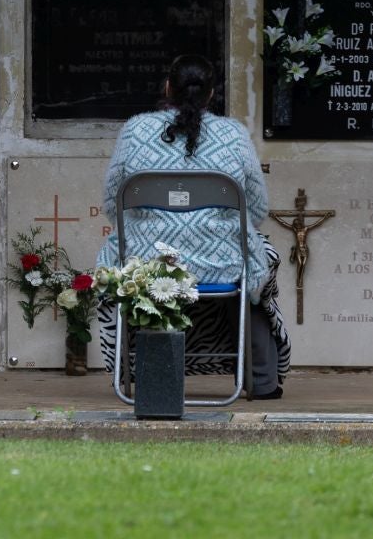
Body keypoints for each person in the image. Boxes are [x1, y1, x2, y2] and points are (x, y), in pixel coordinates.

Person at [96, 54, 292, 399]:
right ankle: (261, 380)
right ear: (212, 93)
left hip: (149, 264)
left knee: (122, 256)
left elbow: (114, 202)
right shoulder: (233, 135)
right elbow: (257, 208)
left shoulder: (135, 130)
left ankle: (142, 374)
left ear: (168, 87)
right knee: (256, 268)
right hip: (222, 264)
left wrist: (155, 230)